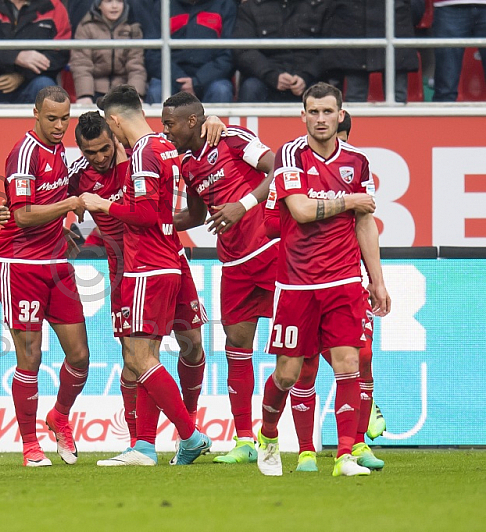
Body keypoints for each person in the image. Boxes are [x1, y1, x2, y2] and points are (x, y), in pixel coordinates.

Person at [256, 82, 390, 477]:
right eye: (312, 112)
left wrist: (377, 280)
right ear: (303, 115)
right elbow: (298, 210)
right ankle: (267, 435)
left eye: (327, 112)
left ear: (340, 114)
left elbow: (366, 224)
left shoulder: (358, 161)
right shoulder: (289, 156)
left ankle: (345, 454)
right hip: (297, 284)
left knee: (349, 361)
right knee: (288, 374)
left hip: (344, 280)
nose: (320, 119)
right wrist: (350, 200)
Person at [82, 85, 211, 466]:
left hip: (147, 264)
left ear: (115, 120)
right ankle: (146, 447)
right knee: (165, 352)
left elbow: (143, 214)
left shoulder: (142, 154)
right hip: (172, 258)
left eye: (111, 127)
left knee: (139, 358)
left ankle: (188, 435)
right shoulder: (166, 146)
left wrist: (103, 203)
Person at [161, 91, 278, 465]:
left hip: (271, 251)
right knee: (236, 347)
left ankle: (361, 415)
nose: (165, 131)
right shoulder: (186, 163)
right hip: (234, 264)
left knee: (315, 339)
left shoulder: (232, 138)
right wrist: (149, 222)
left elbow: (282, 171)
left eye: (170, 124)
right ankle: (244, 440)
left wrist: (242, 206)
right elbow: (195, 216)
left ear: (192, 121)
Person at [0, 86, 90, 467]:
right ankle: (30, 444)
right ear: (35, 113)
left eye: (65, 119)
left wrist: (62, 224)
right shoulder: (24, 152)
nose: (59, 126)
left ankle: (59, 416)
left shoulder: (61, 150)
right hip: (19, 265)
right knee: (30, 358)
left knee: (80, 355)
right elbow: (22, 215)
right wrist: (66, 205)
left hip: (56, 262)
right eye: (52, 118)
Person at [233, 0, 332, 103]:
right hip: (264, 79)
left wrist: (306, 76)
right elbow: (244, 50)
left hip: (310, 78)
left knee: (323, 91)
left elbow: (331, 50)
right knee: (251, 88)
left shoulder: (322, 6)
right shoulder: (250, 7)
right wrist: (271, 76)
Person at [141, 0, 237, 104]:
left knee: (221, 90)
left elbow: (229, 55)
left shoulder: (225, 5)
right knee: (156, 91)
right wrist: (178, 79)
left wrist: (198, 82)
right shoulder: (163, 6)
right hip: (172, 77)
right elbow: (153, 54)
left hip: (211, 78)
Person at [324, 0, 419, 103]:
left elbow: (416, 8)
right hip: (356, 31)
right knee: (358, 100)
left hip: (359, 32)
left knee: (358, 98)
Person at [69, 0, 147, 104]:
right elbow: (82, 65)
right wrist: (85, 95)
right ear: (99, 5)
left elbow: (136, 66)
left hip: (124, 91)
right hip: (94, 91)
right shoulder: (85, 27)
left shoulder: (133, 28)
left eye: (119, 1)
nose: (114, 6)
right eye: (108, 1)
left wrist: (135, 94)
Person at [431, 1, 486, 102]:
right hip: (448, 4)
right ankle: (443, 117)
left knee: (445, 88)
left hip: (448, 7)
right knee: (445, 90)